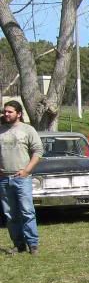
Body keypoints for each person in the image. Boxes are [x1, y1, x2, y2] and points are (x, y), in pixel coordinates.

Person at [0, 101, 43, 255]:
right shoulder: (1, 130)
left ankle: (33, 245)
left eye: (10, 112)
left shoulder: (27, 130)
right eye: (5, 112)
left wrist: (26, 171)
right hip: (4, 179)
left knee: (27, 212)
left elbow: (38, 151)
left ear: (18, 113)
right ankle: (19, 245)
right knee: (10, 215)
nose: (6, 114)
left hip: (22, 178)